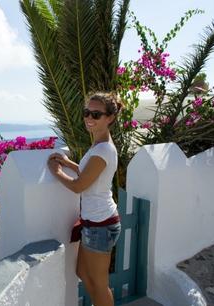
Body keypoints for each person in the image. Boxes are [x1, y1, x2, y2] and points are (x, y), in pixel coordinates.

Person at [47, 92, 122, 306]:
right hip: (94, 222)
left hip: (101, 224)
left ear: (110, 118)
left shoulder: (104, 149)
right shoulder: (99, 144)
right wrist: (69, 164)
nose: (89, 117)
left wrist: (56, 171)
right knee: (82, 272)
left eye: (96, 114)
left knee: (99, 284)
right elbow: (89, 173)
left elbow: (80, 185)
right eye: (87, 112)